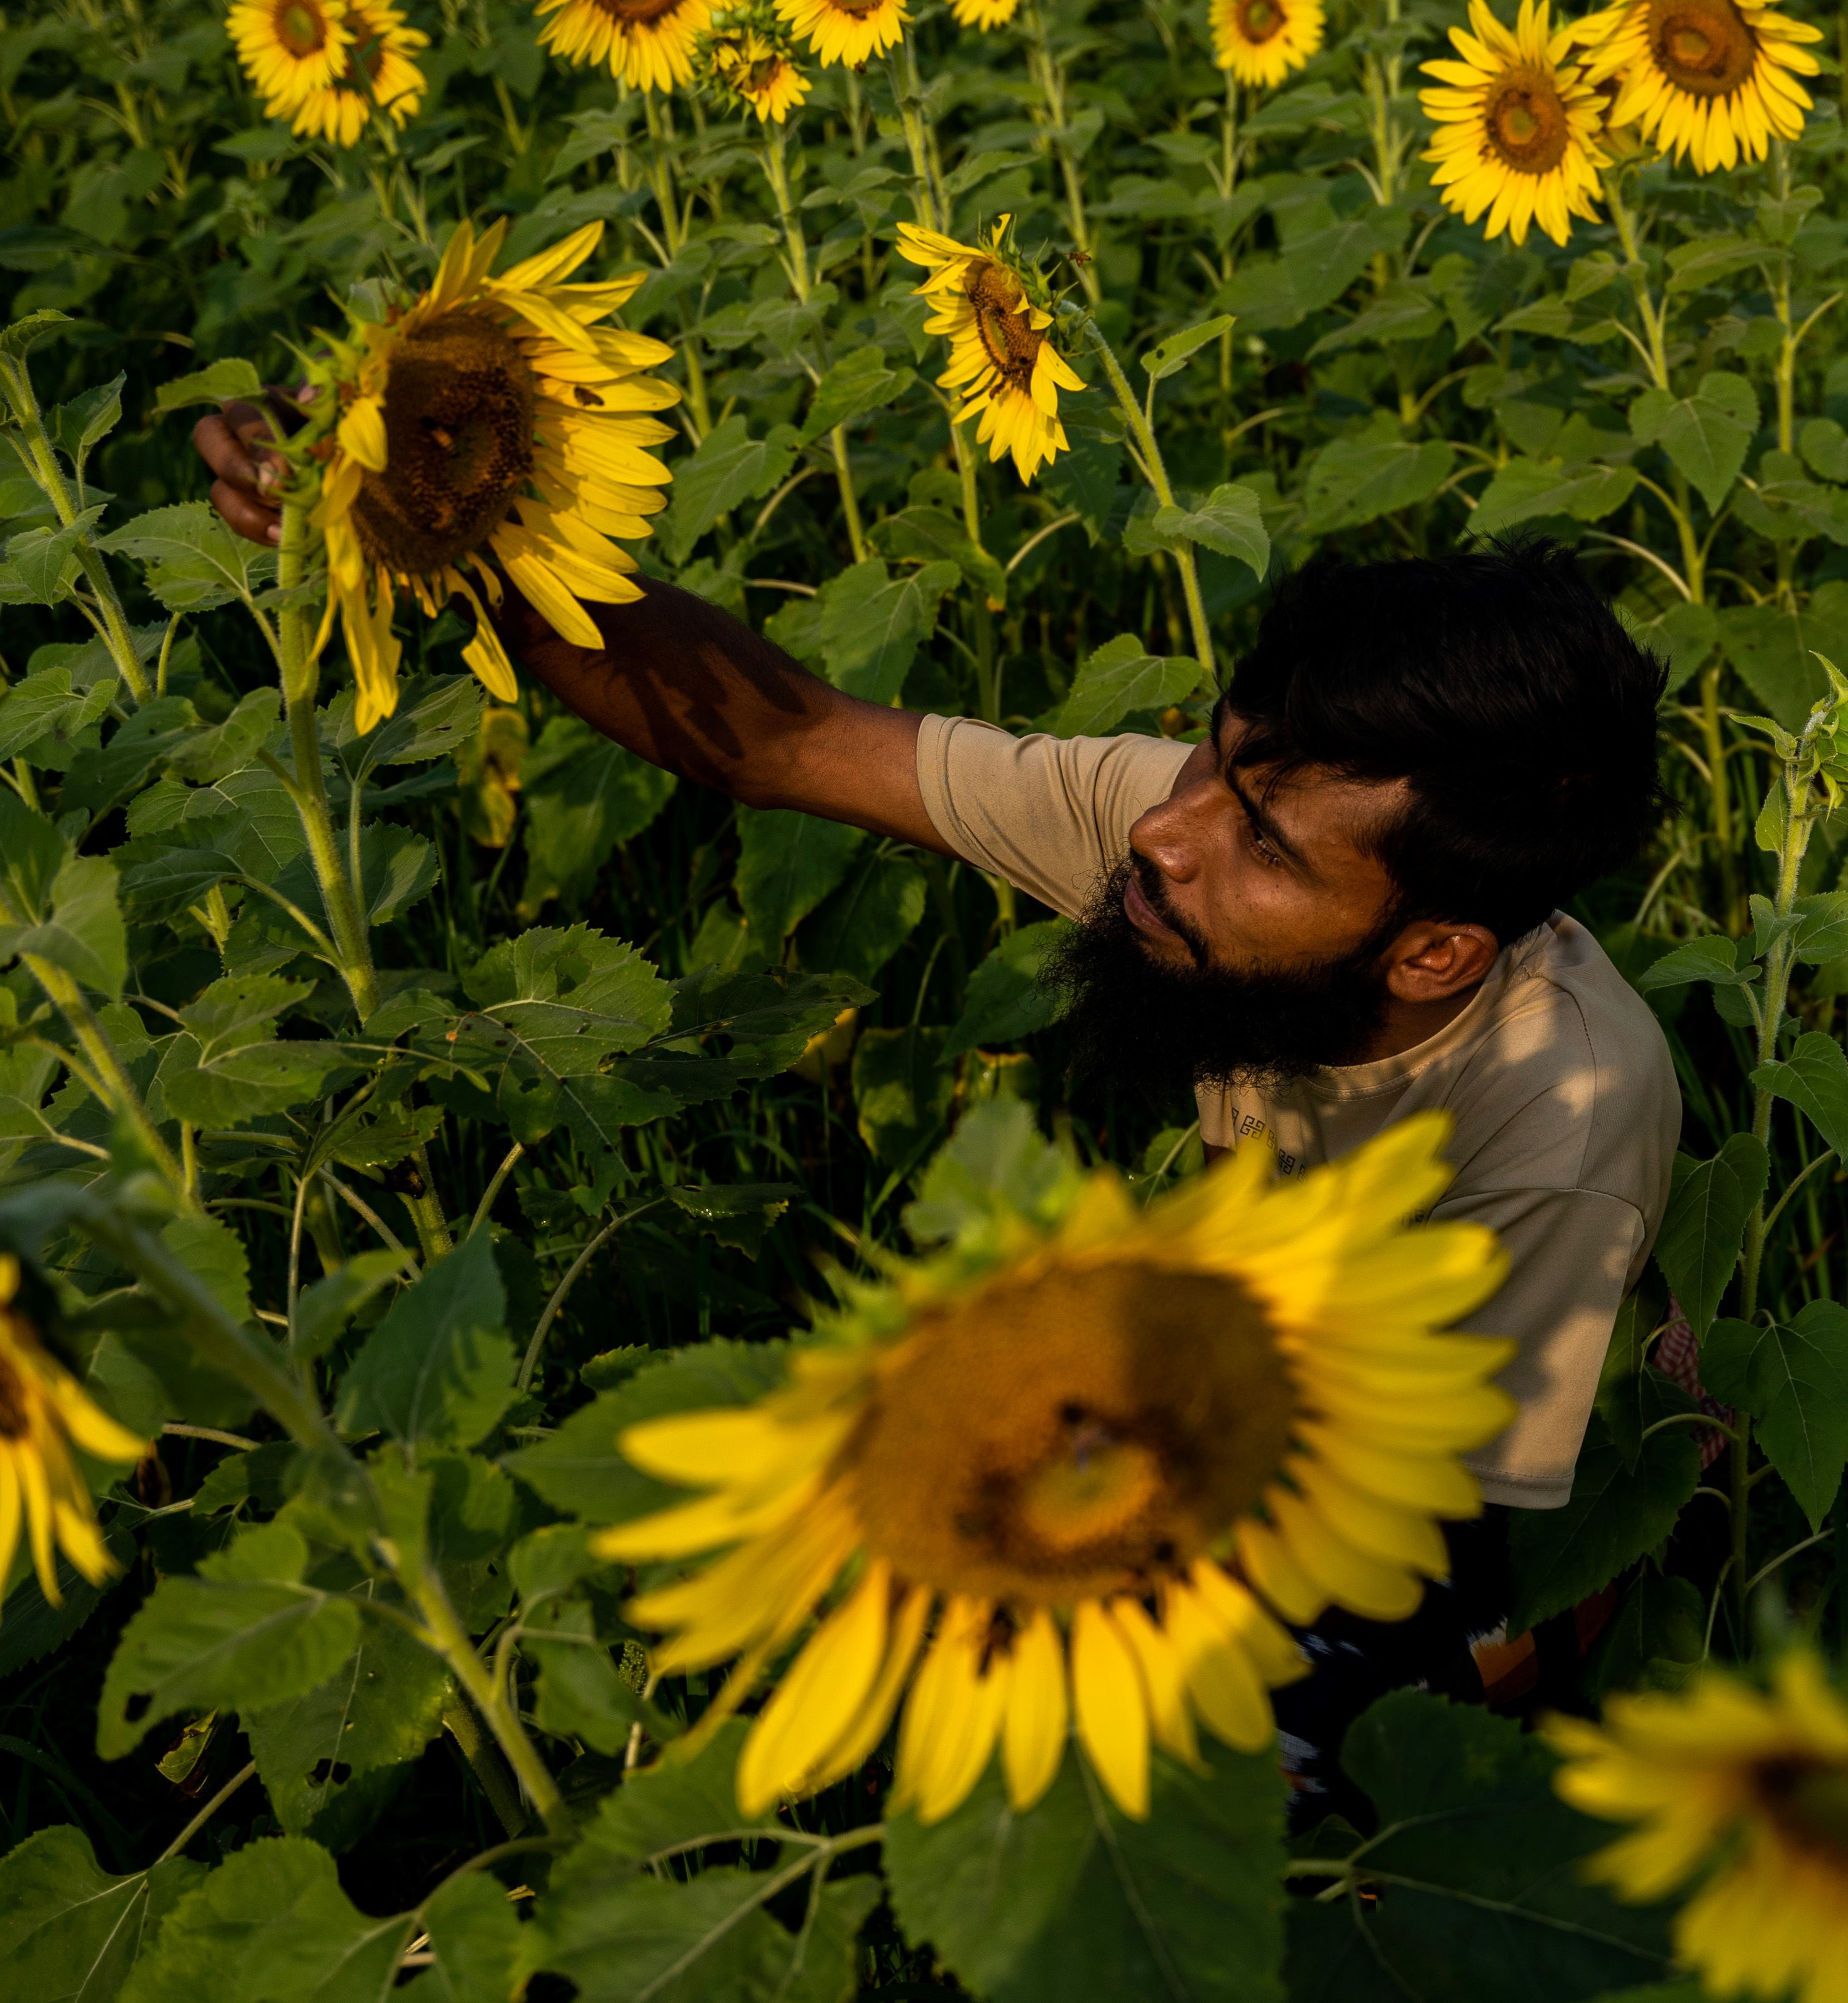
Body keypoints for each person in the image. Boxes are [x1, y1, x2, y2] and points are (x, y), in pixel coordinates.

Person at [196, 405, 1680, 1812]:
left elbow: (1447, 1548)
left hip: (1469, 1488)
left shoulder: (1560, 1116)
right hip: (1243, 1380)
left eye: (1267, 845)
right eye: (1217, 761)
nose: (1164, 836)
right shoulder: (1176, 831)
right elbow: (778, 738)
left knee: (1245, 1758)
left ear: (1434, 954)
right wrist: (460, 529)